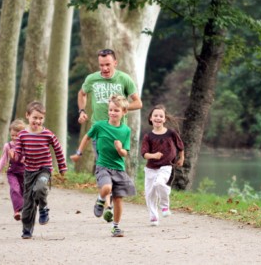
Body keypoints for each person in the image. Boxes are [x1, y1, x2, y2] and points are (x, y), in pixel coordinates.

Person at [77, 48, 142, 222]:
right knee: (104, 164)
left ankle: (102, 199)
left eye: (107, 64)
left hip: (119, 133)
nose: (104, 68)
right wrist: (82, 111)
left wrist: (122, 108)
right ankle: (108, 205)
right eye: (101, 65)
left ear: (115, 62)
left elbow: (138, 102)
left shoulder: (124, 79)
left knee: (116, 169)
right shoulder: (92, 79)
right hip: (100, 132)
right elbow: (82, 93)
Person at [71, 94, 136, 237]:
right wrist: (78, 153)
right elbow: (87, 137)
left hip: (118, 168)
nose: (113, 113)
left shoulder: (126, 130)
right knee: (107, 188)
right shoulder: (99, 126)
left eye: (116, 110)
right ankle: (100, 200)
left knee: (118, 199)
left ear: (124, 112)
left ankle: (116, 226)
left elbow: (125, 153)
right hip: (103, 166)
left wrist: (120, 149)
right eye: (111, 110)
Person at [13, 101, 67, 239]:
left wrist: (62, 166)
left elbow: (58, 149)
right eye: (35, 118)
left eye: (40, 118)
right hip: (29, 171)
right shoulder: (22, 135)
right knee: (28, 202)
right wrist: (15, 156)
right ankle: (27, 229)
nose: (37, 121)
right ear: (27, 116)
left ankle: (43, 208)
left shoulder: (48, 134)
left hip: (44, 169)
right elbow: (18, 153)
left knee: (40, 189)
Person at [141, 104, 184, 226]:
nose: (158, 118)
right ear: (150, 118)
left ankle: (165, 207)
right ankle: (153, 216)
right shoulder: (148, 136)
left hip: (166, 166)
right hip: (151, 168)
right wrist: (153, 156)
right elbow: (144, 154)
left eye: (161, 116)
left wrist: (181, 158)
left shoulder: (171, 133)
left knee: (160, 183)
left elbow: (180, 146)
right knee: (150, 194)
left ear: (165, 119)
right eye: (155, 115)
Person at [0, 119, 26, 221]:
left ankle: (25, 209)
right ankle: (17, 211)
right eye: (12, 135)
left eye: (17, 135)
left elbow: (30, 158)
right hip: (13, 173)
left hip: (25, 173)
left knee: (24, 193)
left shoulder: (26, 145)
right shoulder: (8, 146)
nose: (15, 138)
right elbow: (3, 159)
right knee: (15, 189)